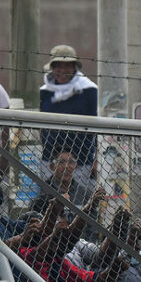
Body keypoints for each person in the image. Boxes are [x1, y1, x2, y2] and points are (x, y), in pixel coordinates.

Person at [39, 45, 98, 189]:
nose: (62, 70)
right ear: (52, 68)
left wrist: (97, 159)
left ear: (74, 68)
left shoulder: (89, 90)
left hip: (81, 162)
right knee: (49, 201)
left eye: (67, 66)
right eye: (58, 66)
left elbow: (98, 127)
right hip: (50, 161)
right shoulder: (45, 92)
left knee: (81, 200)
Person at [28, 147, 92, 218]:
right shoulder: (42, 193)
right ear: (52, 166)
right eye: (61, 162)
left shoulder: (84, 194)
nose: (66, 166)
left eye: (70, 162)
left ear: (75, 166)